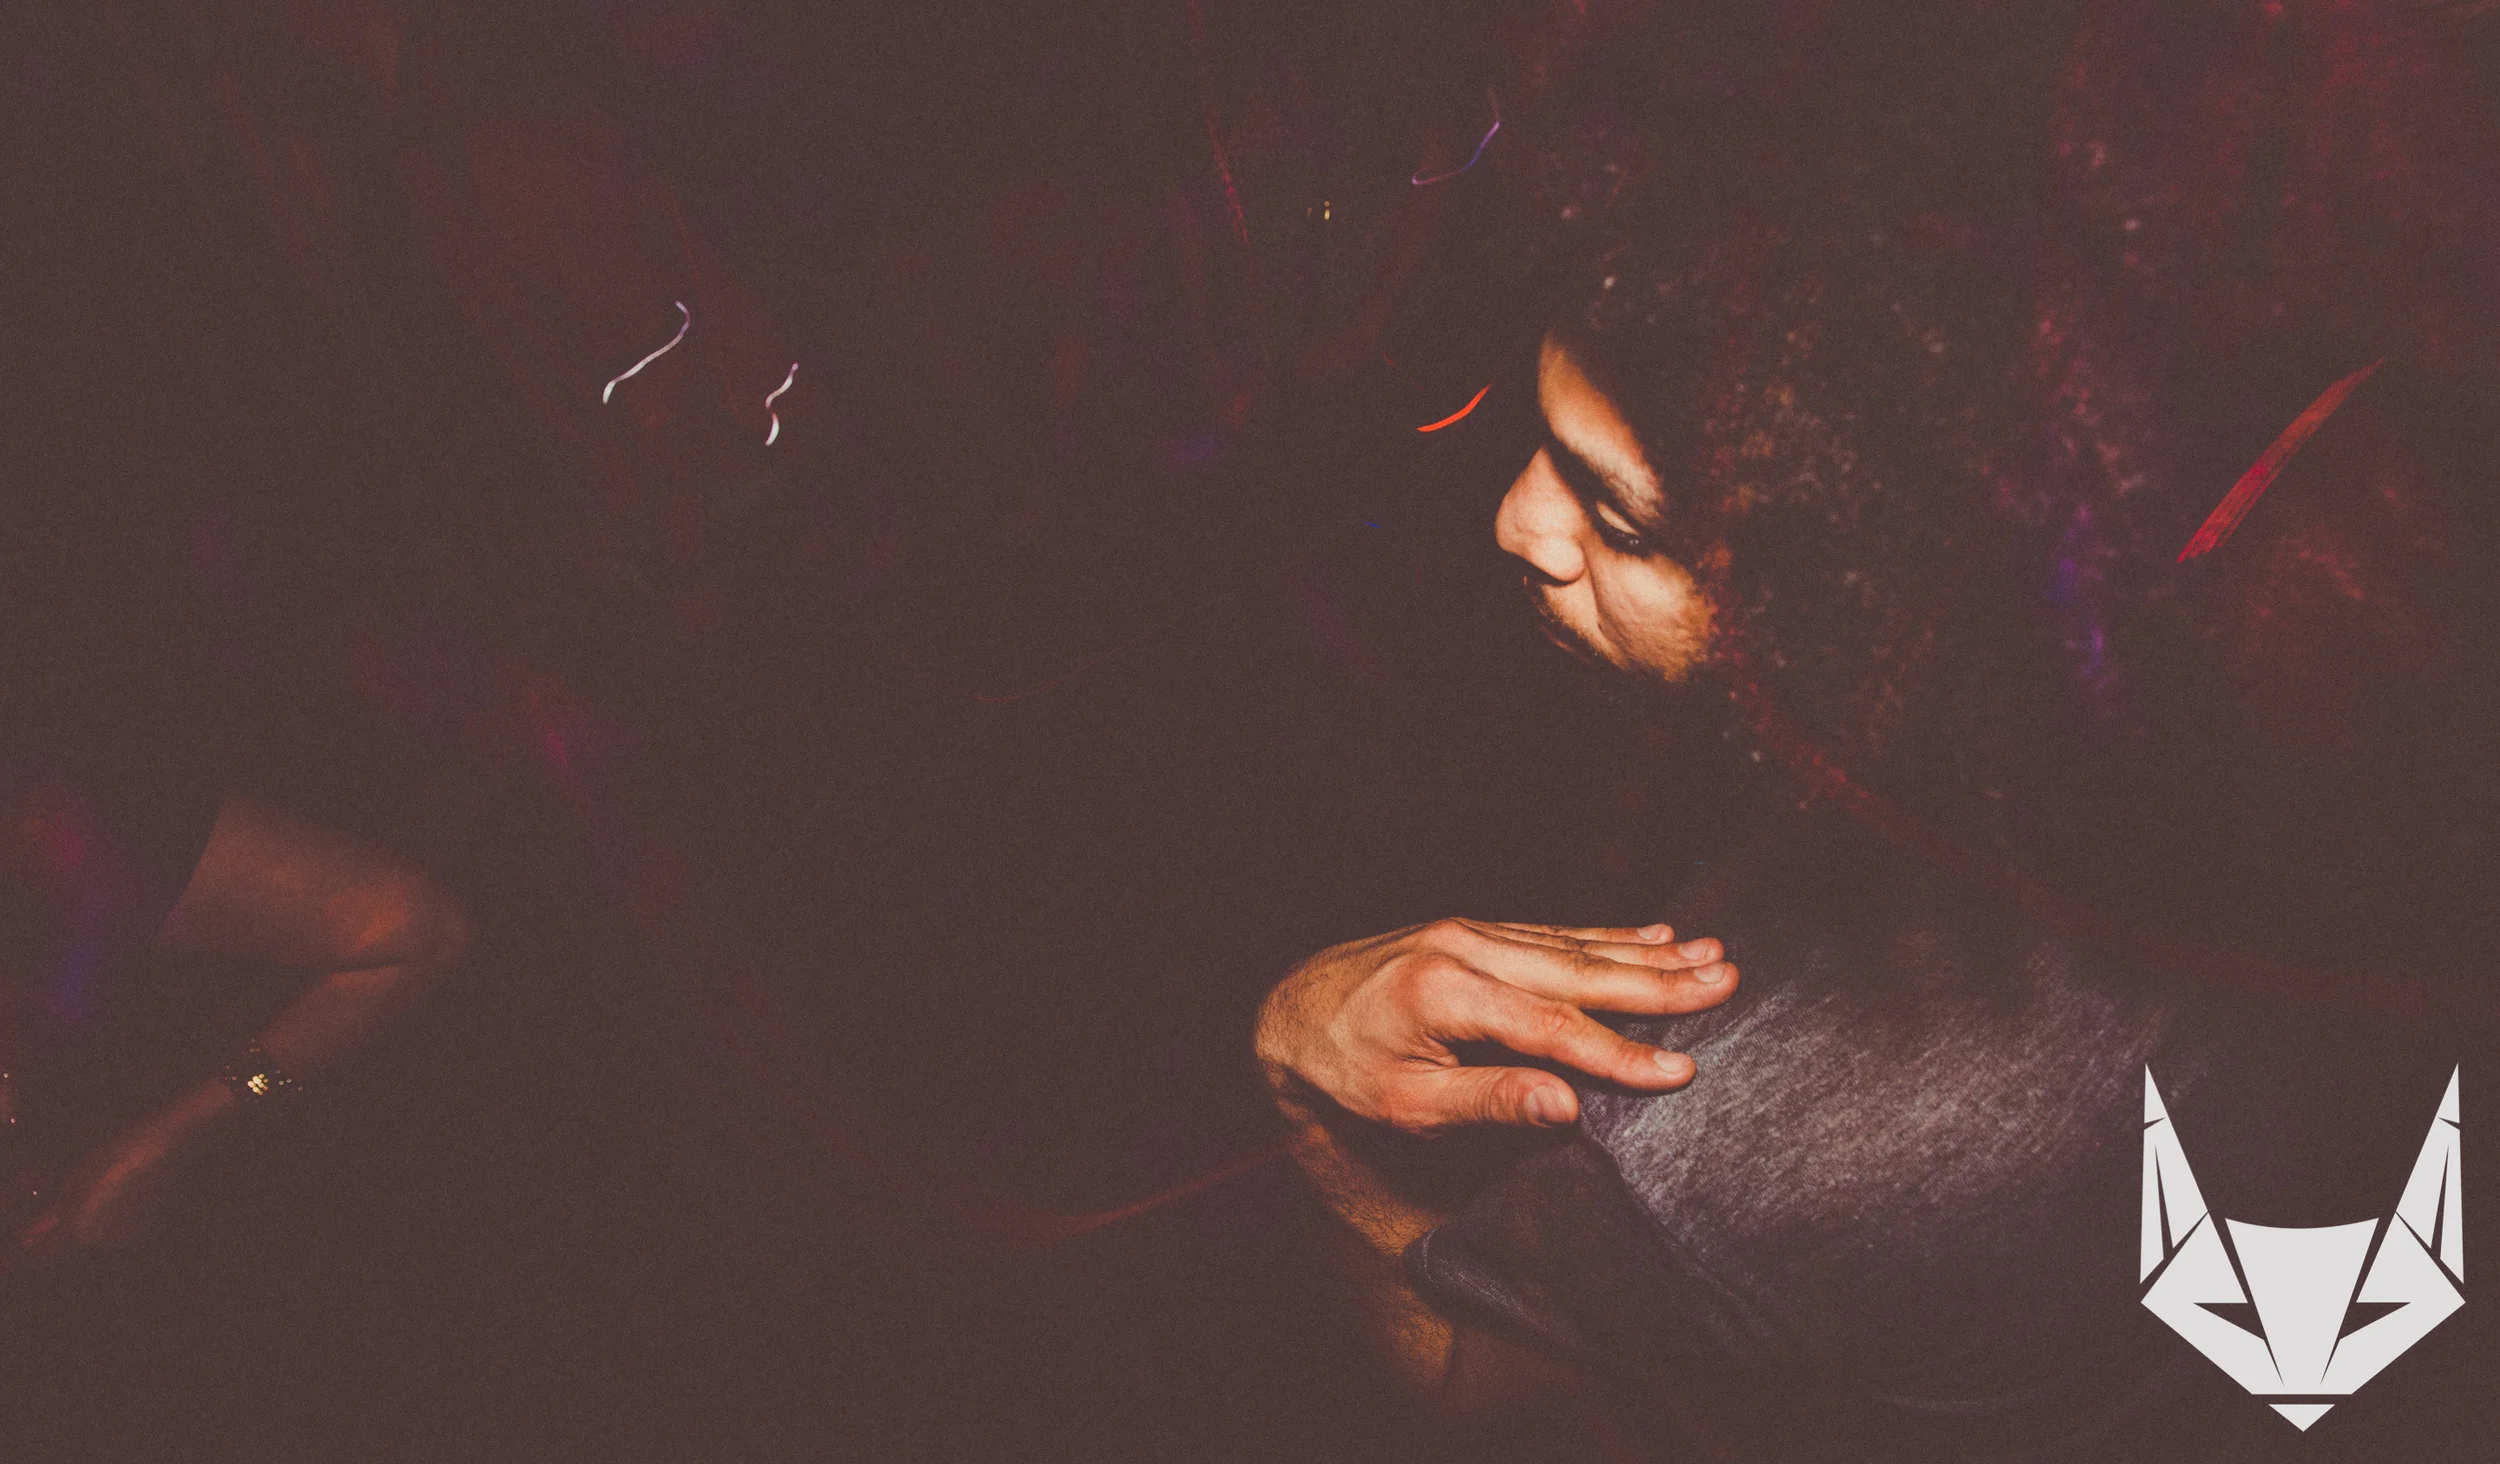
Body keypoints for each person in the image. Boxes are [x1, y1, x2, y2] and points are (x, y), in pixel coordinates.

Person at [1251, 7, 2496, 1457]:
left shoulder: (1734, 1156)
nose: (1516, 522)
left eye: (1623, 521)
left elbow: (1469, 1419)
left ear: (1878, 594)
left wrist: (1308, 1088)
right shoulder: (2382, 552)